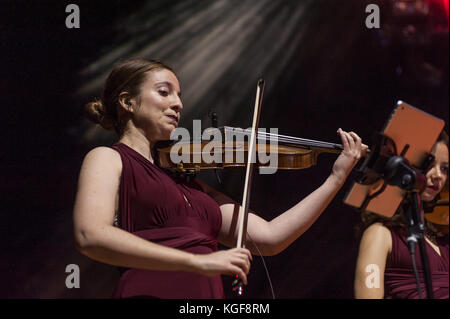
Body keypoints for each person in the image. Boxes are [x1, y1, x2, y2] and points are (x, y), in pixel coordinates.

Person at [73, 58, 366, 298]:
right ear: (127, 102)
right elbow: (90, 236)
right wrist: (197, 262)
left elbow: (271, 238)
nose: (179, 104)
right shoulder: (108, 158)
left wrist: (335, 179)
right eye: (165, 92)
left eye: (179, 95)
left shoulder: (189, 185)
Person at [354, 131, 449, 299]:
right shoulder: (379, 234)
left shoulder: (443, 240)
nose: (438, 176)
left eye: (444, 169)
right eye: (429, 164)